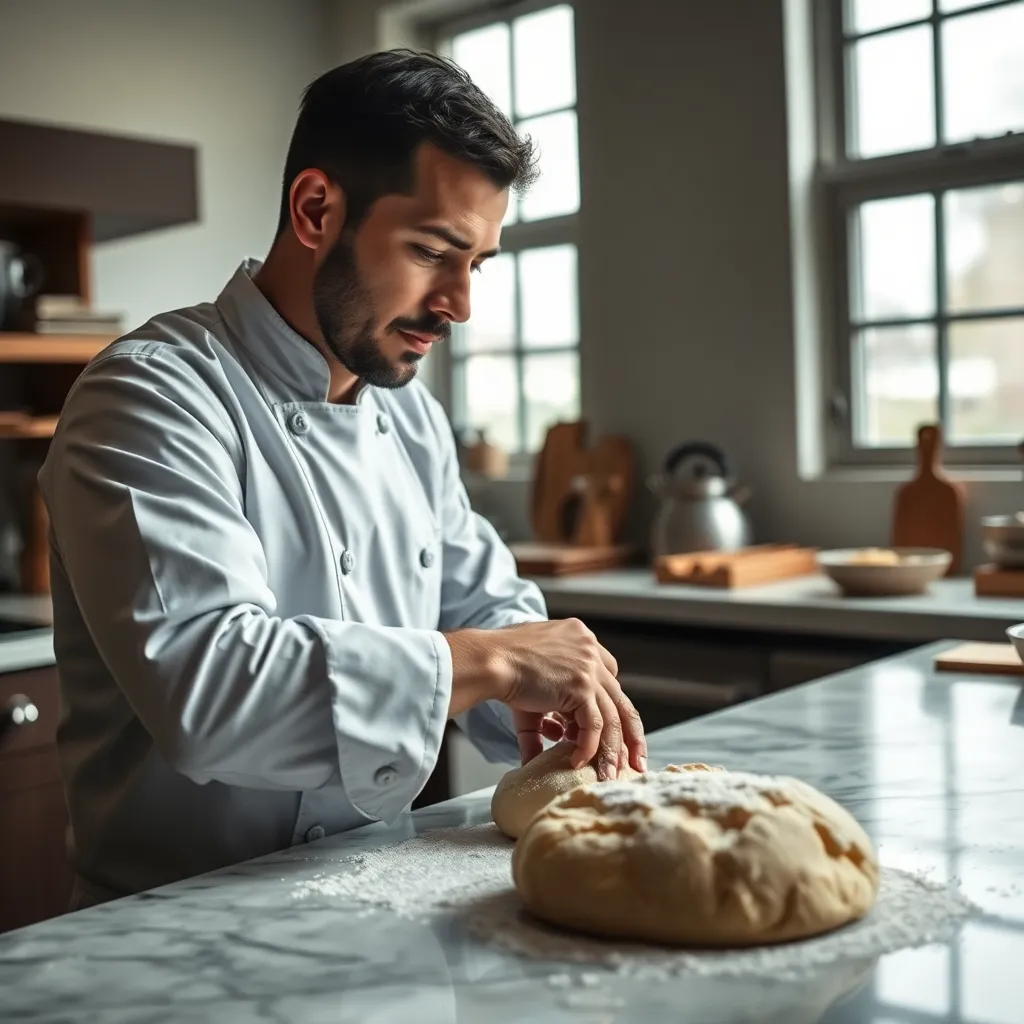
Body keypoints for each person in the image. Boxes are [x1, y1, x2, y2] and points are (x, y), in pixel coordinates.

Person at [38, 49, 647, 908]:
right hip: (176, 934)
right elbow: (210, 688)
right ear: (317, 209)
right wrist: (496, 662)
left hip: (383, 901)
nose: (461, 304)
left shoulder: (408, 414)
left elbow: (475, 600)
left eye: (478, 263)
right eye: (435, 251)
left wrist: (537, 692)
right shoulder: (148, 395)